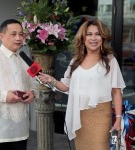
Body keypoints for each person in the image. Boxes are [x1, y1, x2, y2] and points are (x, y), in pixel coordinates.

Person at [38, 19, 126, 150]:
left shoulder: (109, 60)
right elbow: (65, 86)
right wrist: (51, 80)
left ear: (103, 37)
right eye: (89, 34)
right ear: (83, 38)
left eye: (97, 34)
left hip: (100, 115)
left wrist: (118, 119)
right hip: (78, 116)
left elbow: (116, 92)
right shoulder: (76, 60)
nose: (93, 38)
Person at [0, 19, 39, 150]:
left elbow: (37, 81)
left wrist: (33, 93)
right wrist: (4, 96)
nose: (18, 38)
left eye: (21, 34)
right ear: (1, 36)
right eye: (13, 34)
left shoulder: (26, 58)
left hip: (21, 130)